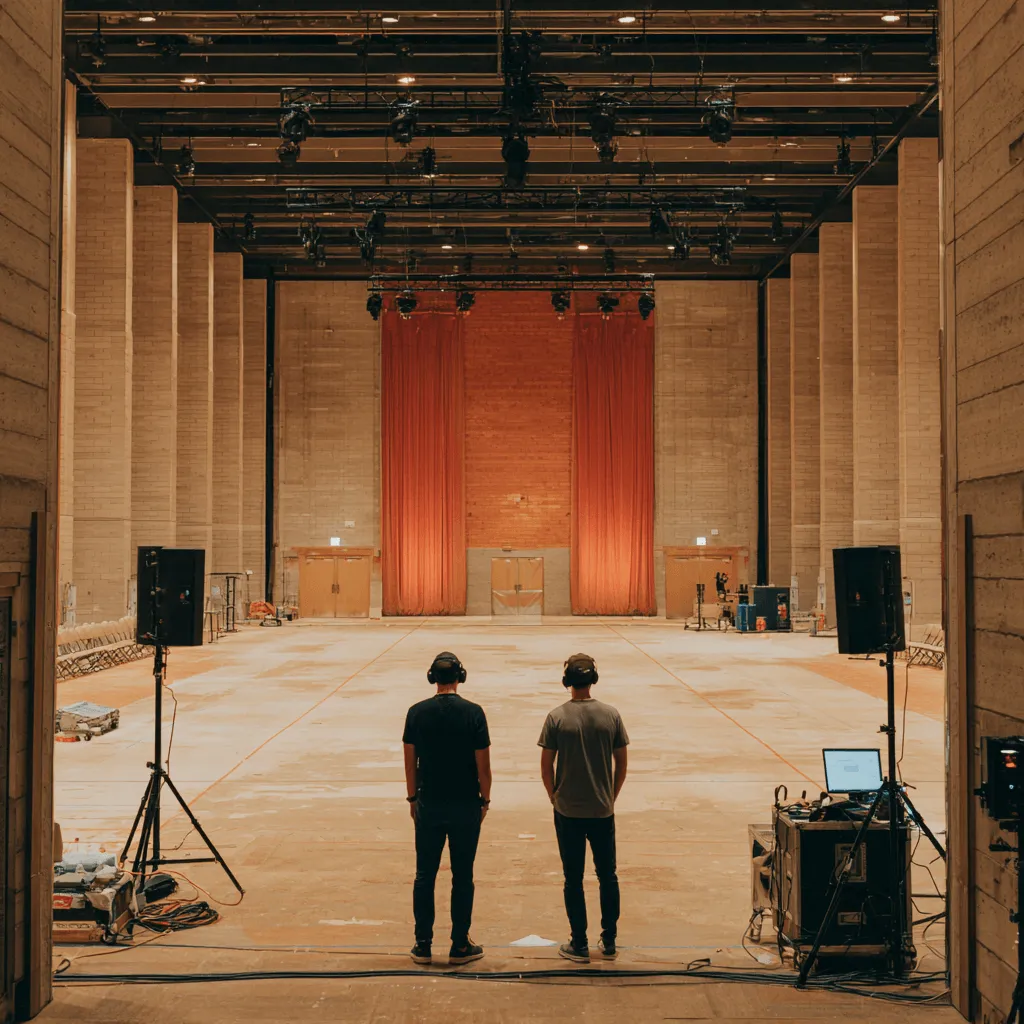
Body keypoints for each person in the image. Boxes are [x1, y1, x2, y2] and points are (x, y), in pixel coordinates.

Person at [538, 653, 629, 963]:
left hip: (568, 811)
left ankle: (579, 943)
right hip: (602, 810)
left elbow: (546, 765)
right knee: (608, 876)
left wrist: (555, 797)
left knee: (573, 879)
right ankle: (610, 940)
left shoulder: (556, 717)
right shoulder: (611, 715)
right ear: (593, 680)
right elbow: (622, 763)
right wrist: (610, 796)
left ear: (567, 682)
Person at [403, 651, 491, 966]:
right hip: (466, 803)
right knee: (462, 875)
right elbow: (484, 766)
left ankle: (422, 945)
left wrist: (413, 799)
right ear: (460, 677)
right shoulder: (474, 713)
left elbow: (410, 764)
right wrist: (485, 800)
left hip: (429, 803)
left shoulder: (416, 713)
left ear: (432, 678)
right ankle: (460, 946)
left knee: (424, 875)